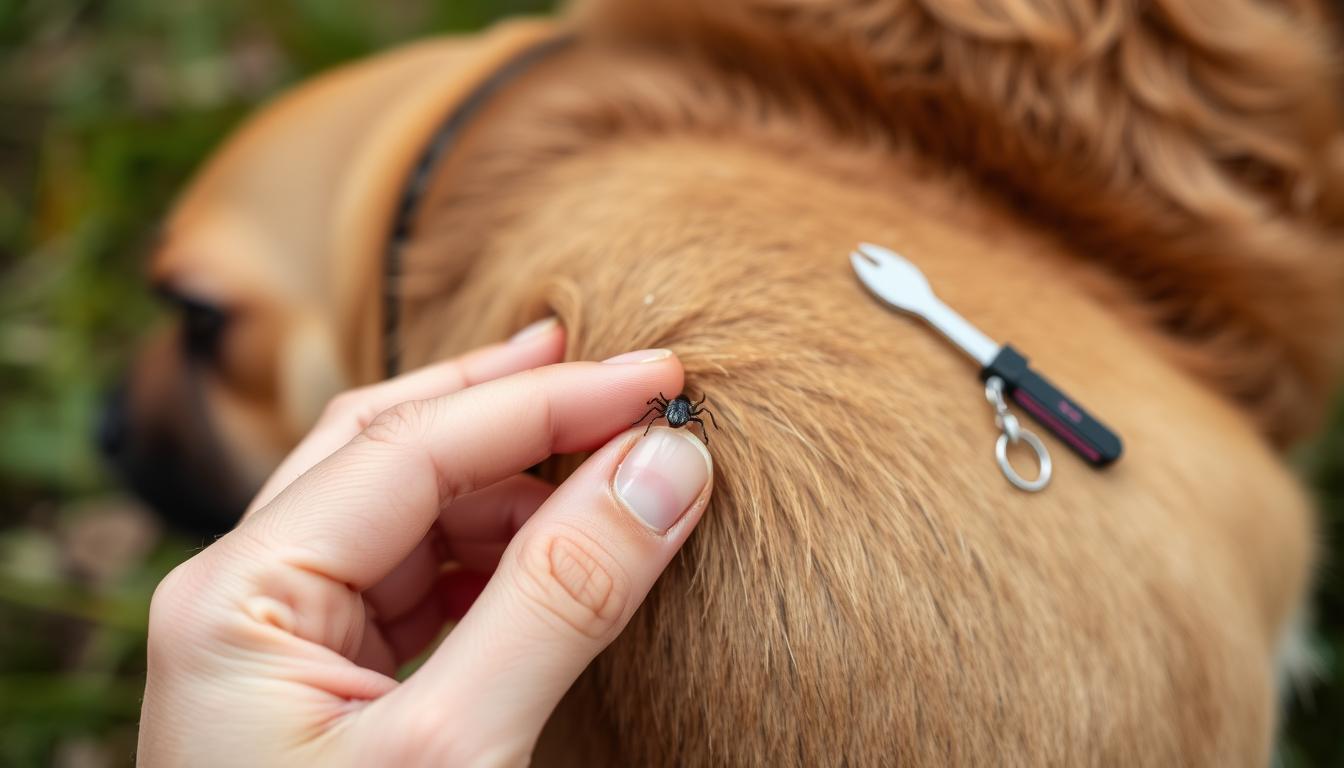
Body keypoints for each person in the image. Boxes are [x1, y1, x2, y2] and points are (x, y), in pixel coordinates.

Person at [136, 317, 714, 765]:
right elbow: (685, 411)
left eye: (675, 417)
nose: (675, 416)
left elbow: (667, 409)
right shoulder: (683, 414)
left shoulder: (663, 413)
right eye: (672, 416)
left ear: (672, 415)